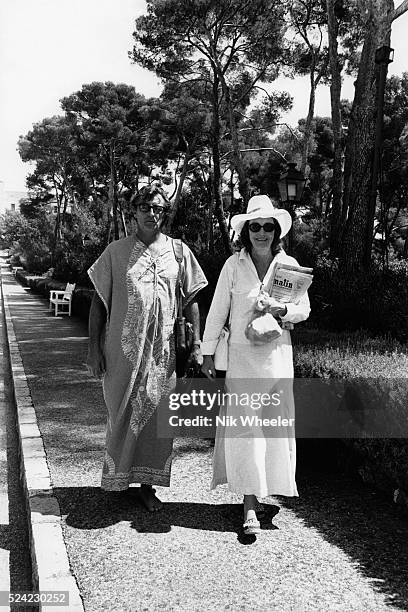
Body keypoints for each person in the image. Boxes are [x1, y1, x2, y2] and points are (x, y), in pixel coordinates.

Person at [86, 184, 207, 511]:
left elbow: (192, 298)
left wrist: (197, 342)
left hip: (161, 356)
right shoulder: (115, 252)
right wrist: (93, 349)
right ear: (134, 212)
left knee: (156, 419)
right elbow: (98, 303)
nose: (152, 213)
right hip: (121, 354)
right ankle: (118, 478)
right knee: (121, 414)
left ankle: (147, 486)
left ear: (164, 211)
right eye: (145, 208)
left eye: (157, 208)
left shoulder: (179, 252)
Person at [201, 194, 310, 534]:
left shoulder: (288, 264)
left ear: (276, 231)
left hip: (276, 358)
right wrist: (206, 353)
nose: (261, 232)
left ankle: (261, 494)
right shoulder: (234, 265)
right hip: (242, 359)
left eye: (267, 227)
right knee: (247, 429)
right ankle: (249, 505)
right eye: (255, 227)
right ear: (246, 231)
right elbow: (218, 310)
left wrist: (283, 311)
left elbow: (303, 309)